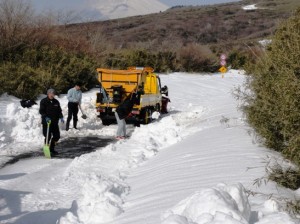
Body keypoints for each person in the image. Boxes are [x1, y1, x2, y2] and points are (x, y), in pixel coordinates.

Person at [39, 88, 64, 155]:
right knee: (47, 136)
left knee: (57, 136)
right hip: (46, 122)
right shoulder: (43, 101)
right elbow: (41, 111)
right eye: (50, 93)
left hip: (54, 122)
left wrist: (61, 116)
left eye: (53, 93)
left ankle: (51, 149)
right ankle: (46, 150)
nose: (52, 95)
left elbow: (59, 111)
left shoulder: (56, 102)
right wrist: (45, 117)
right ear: (48, 94)